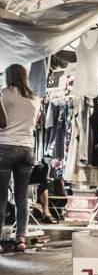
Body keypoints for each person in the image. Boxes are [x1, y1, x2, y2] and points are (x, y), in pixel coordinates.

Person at [0, 64, 40, 253]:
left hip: (5, 147)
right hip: (27, 149)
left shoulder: (4, 94)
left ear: (9, 76)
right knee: (22, 196)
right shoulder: (35, 98)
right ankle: (21, 239)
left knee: (1, 198)